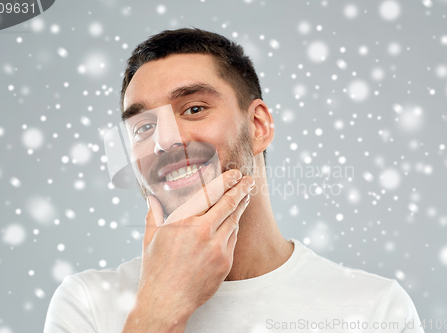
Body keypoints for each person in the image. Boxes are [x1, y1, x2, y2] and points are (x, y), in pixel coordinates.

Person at [44, 28, 424, 333]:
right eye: (144, 126)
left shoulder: (375, 309)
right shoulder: (88, 305)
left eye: (194, 108)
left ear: (258, 125)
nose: (165, 141)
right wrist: (158, 309)